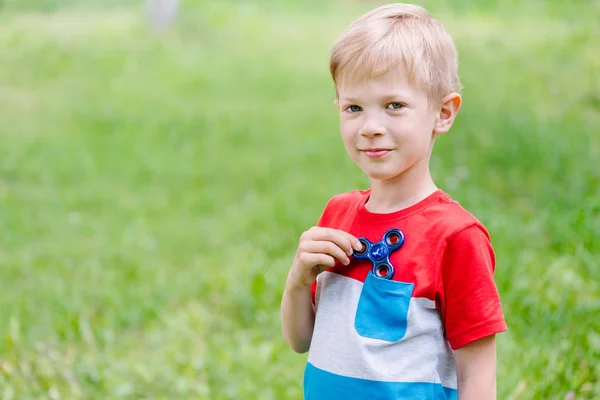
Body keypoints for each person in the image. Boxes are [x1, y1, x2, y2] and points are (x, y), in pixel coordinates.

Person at [280, 3, 508, 399]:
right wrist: (299, 280)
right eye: (354, 107)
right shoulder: (338, 215)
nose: (370, 127)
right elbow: (301, 340)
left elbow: (478, 376)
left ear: (443, 112)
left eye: (394, 106)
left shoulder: (455, 237)